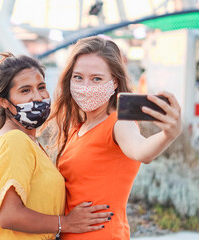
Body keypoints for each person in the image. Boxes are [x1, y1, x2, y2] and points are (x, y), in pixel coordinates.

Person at [49, 36, 182, 240]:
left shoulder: (119, 123)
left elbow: (142, 151)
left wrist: (168, 134)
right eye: (78, 77)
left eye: (96, 79)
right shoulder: (78, 128)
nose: (86, 86)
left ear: (114, 83)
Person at [0, 52, 113, 240]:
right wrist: (66, 222)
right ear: (4, 102)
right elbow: (9, 216)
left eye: (41, 87)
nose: (37, 97)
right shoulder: (14, 140)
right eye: (25, 90)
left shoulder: (27, 140)